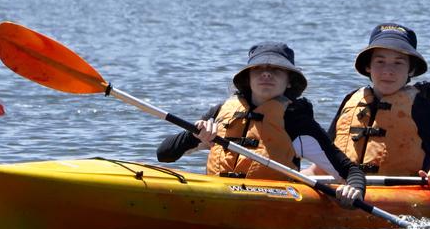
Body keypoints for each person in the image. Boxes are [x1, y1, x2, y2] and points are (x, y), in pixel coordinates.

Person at [156, 42, 367, 207]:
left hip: (271, 202)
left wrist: (354, 189)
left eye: (275, 70)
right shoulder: (222, 112)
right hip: (218, 197)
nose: (266, 74)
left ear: (289, 81)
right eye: (259, 69)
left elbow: (350, 171)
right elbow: (164, 154)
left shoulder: (297, 123)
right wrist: (195, 136)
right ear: (248, 78)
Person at [325, 23, 430, 192]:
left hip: (402, 197)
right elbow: (319, 167)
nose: (388, 71)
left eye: (398, 63)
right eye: (380, 61)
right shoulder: (350, 101)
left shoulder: (422, 109)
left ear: (411, 70)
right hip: (346, 191)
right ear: (368, 66)